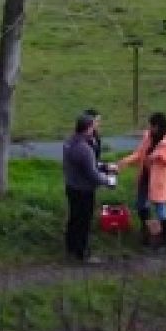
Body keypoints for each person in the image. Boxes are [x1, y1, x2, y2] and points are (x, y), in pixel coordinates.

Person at [117, 112, 166, 252]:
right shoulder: (148, 136)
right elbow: (139, 153)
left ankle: (165, 239)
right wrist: (124, 162)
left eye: (152, 126)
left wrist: (160, 156)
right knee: (140, 205)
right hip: (145, 177)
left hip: (159, 180)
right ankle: (148, 230)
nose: (149, 128)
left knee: (160, 208)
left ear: (158, 126)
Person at [62, 111, 116, 264]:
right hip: (83, 190)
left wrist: (105, 166)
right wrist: (108, 180)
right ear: (88, 128)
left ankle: (71, 247)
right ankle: (82, 253)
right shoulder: (84, 148)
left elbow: (88, 165)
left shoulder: (70, 142)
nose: (96, 128)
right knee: (84, 222)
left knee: (74, 219)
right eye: (94, 125)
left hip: (72, 187)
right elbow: (92, 173)